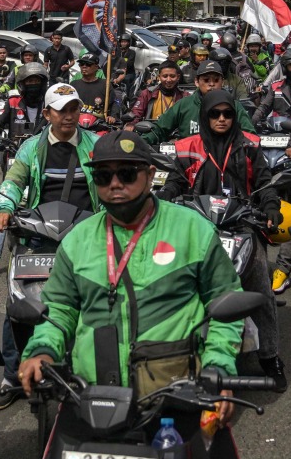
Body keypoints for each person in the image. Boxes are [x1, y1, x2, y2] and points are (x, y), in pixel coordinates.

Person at [17, 131, 244, 410]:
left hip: (176, 397)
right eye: (103, 176)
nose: (115, 184)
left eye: (126, 174)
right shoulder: (77, 239)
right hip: (91, 397)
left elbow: (225, 302)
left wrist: (219, 367)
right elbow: (58, 308)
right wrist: (42, 351)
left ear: (150, 175)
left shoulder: (193, 229)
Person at [160, 89, 287, 390]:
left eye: (227, 114)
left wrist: (270, 206)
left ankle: (270, 356)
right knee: (175, 281)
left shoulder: (249, 145)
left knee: (259, 285)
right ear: (204, 115)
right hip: (196, 223)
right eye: (215, 113)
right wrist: (164, 197)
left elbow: (265, 183)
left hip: (243, 224)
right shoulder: (187, 146)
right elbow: (176, 180)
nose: (221, 119)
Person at [0, 84, 101, 410]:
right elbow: (13, 180)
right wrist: (3, 208)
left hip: (84, 238)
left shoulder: (94, 146)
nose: (68, 116)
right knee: (18, 306)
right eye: (61, 110)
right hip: (37, 237)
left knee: (95, 303)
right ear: (48, 114)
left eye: (73, 108)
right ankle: (11, 377)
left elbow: (109, 184)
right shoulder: (31, 149)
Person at [0, 62, 49, 278]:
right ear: (22, 85)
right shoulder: (13, 103)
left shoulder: (48, 107)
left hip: (42, 162)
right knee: (4, 203)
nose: (33, 85)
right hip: (14, 162)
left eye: (37, 81)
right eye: (29, 81)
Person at [139, 61, 256, 145]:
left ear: (223, 82)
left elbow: (250, 135)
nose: (211, 84)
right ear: (196, 82)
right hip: (188, 164)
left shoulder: (234, 106)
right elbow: (159, 130)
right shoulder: (183, 105)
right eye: (206, 80)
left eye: (216, 80)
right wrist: (139, 143)